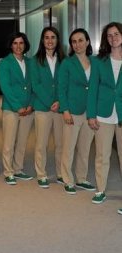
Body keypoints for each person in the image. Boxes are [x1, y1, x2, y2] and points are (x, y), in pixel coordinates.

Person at [58, 28, 96, 195]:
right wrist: (65, 110)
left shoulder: (95, 62)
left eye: (81, 40)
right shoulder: (67, 63)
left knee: (85, 147)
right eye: (74, 41)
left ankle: (81, 178)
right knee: (69, 147)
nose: (77, 44)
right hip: (72, 111)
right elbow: (62, 88)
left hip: (91, 111)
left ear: (87, 42)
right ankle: (68, 179)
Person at [87, 22, 122, 204]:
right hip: (103, 113)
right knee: (102, 154)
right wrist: (91, 115)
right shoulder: (99, 61)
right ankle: (100, 190)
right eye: (109, 35)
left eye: (116, 34)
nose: (113, 38)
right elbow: (92, 89)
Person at [30, 26, 65, 188]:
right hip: (43, 108)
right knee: (41, 143)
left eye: (53, 37)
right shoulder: (35, 60)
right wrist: (49, 102)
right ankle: (41, 174)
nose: (50, 40)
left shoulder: (64, 60)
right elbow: (35, 85)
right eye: (46, 37)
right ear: (42, 40)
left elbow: (64, 84)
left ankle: (60, 173)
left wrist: (58, 101)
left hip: (59, 108)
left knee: (60, 143)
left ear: (57, 40)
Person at [0, 32, 34, 185]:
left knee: (22, 141)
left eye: (21, 43)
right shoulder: (5, 63)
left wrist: (31, 104)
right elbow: (5, 87)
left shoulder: (30, 62)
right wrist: (18, 107)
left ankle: (18, 169)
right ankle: (8, 172)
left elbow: (34, 85)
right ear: (11, 45)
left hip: (28, 108)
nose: (18, 46)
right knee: (9, 141)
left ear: (25, 45)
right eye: (15, 43)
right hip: (11, 109)